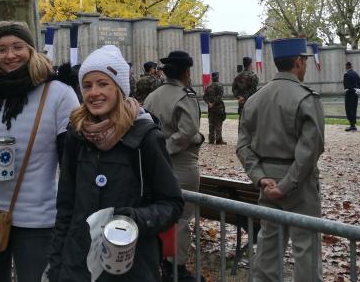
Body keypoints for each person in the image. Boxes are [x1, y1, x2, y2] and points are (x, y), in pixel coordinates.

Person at [46, 45, 183, 281]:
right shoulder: (76, 135)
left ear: (119, 88)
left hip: (131, 266)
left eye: (103, 83)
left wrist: (132, 219)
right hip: (78, 265)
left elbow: (172, 203)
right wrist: (57, 266)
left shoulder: (146, 137)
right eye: (87, 86)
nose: (94, 92)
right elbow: (66, 207)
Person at [0, 22, 79, 282]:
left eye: (17, 47)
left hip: (37, 219)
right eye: (1, 49)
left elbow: (71, 161)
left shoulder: (59, 94)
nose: (10, 55)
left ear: (31, 50)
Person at [236, 38, 324, 282]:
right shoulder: (306, 99)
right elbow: (311, 150)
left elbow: (243, 146)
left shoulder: (254, 100)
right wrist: (285, 186)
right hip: (299, 183)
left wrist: (261, 178)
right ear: (298, 61)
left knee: (268, 247)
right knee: (306, 249)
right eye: (304, 61)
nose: (304, 66)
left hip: (267, 179)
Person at [143, 51, 203, 282]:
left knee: (158, 213)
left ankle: (158, 260)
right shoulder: (184, 96)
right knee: (181, 217)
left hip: (155, 165)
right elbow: (188, 131)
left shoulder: (153, 96)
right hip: (180, 163)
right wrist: (167, 147)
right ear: (186, 72)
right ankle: (176, 267)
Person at [203, 71, 225, 145]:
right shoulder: (220, 85)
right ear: (217, 77)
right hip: (218, 108)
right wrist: (214, 103)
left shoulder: (208, 86)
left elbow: (204, 97)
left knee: (211, 123)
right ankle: (219, 140)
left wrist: (209, 103)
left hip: (210, 108)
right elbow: (220, 96)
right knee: (218, 123)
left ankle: (211, 140)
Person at [343, 61, 360, 131]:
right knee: (354, 108)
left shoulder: (346, 74)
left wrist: (353, 90)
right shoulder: (356, 74)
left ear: (346, 66)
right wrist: (358, 90)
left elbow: (347, 85)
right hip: (356, 94)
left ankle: (352, 125)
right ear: (351, 66)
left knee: (349, 109)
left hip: (349, 94)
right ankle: (353, 124)